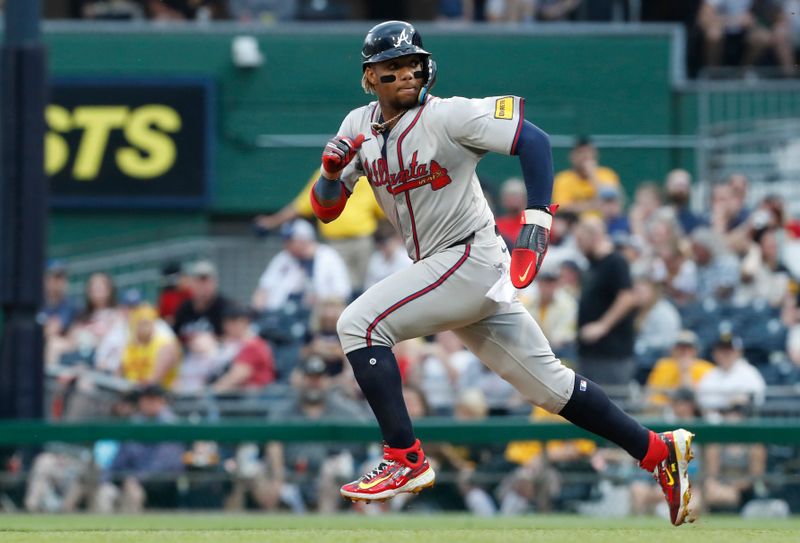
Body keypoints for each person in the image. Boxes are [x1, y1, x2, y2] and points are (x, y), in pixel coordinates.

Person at [307, 21, 695, 526]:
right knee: (549, 388)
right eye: (391, 67)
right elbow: (326, 210)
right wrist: (332, 173)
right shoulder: (357, 123)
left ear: (426, 68)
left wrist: (535, 224)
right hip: (447, 268)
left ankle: (404, 457)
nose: (405, 73)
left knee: (358, 324)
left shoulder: (449, 115)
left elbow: (534, 141)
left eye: (412, 64)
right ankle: (656, 452)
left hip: (469, 256)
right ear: (370, 77)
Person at [254, 168, 384, 290]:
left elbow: (383, 209)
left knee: (367, 287)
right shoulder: (326, 174)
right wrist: (271, 222)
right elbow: (301, 206)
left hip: (363, 240)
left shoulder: (363, 177)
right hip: (336, 243)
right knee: (338, 289)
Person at [574, 216, 638, 385]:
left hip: (612, 354)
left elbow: (627, 297)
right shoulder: (592, 265)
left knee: (611, 404)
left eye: (580, 239)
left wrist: (603, 325)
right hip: (591, 353)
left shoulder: (615, 261)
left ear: (594, 237)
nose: (578, 245)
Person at [251, 219, 351, 313]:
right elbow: (263, 289)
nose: (285, 244)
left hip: (317, 314)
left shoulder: (328, 257)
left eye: (290, 241)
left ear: (303, 240)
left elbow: (343, 293)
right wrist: (259, 311)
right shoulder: (282, 258)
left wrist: (321, 300)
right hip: (281, 315)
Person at [552, 136, 621, 215]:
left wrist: (593, 175)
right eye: (581, 152)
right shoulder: (563, 179)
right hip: (575, 222)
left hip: (605, 221)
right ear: (572, 156)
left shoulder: (606, 174)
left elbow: (612, 204)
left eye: (589, 152)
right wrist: (593, 205)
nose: (586, 156)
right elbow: (562, 207)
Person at [173, 260, 234, 345]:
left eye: (207, 282)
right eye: (199, 282)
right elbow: (175, 335)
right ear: (191, 284)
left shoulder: (226, 307)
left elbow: (234, 339)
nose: (203, 287)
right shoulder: (184, 308)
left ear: (215, 283)